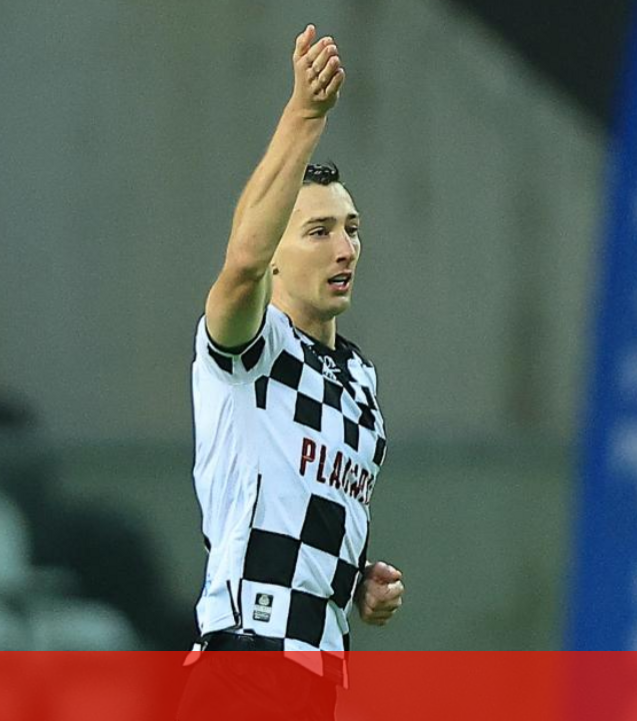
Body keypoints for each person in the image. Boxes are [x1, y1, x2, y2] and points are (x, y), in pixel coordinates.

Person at [179, 24, 404, 721]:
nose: (345, 248)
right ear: (276, 253)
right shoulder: (250, 349)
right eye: (319, 231)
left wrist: (355, 582)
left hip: (315, 679)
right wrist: (305, 113)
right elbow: (242, 260)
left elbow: (301, 507)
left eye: (352, 228)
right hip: (244, 668)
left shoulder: (358, 377)